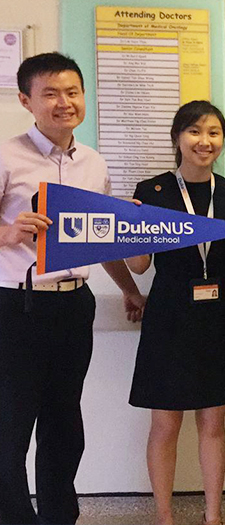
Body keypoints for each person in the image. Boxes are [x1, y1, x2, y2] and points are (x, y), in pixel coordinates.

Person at [0, 52, 145, 525]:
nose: (64, 102)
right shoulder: (7, 155)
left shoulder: (94, 163)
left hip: (72, 306)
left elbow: (97, 238)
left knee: (64, 423)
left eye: (72, 91)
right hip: (15, 305)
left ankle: (60, 517)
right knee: (12, 424)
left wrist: (128, 289)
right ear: (26, 100)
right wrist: (7, 232)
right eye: (50, 93)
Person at [125, 100, 225, 525]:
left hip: (219, 315)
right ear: (178, 138)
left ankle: (212, 516)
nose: (205, 141)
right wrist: (131, 227)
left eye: (215, 132)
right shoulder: (153, 191)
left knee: (214, 424)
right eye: (195, 131)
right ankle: (164, 517)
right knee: (165, 424)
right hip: (170, 315)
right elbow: (141, 265)